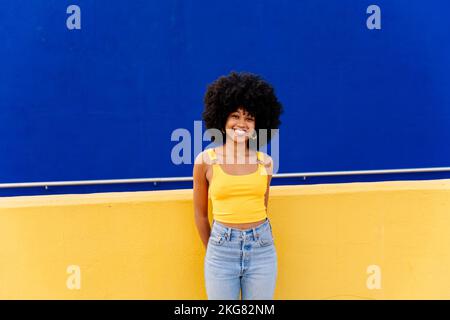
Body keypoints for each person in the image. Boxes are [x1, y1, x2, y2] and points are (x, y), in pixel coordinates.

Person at [193, 71, 283, 300]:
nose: (241, 124)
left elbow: (263, 205)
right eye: (235, 116)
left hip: (262, 247)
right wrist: (216, 250)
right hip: (221, 249)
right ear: (222, 120)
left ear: (258, 124)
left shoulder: (266, 162)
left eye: (249, 118)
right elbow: (200, 215)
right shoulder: (205, 160)